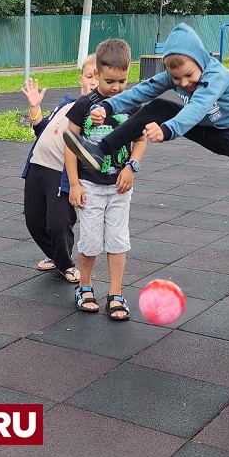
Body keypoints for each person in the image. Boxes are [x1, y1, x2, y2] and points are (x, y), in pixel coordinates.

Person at [63, 22, 229, 269]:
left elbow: (197, 108)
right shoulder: (174, 75)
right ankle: (100, 152)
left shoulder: (215, 74)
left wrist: (167, 130)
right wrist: (108, 107)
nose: (184, 83)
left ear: (201, 62)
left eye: (189, 75)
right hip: (206, 129)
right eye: (176, 78)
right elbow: (142, 91)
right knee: (156, 107)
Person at [64, 38, 146, 320]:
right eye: (110, 80)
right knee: (89, 241)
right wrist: (74, 183)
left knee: (118, 240)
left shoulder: (132, 105)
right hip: (89, 186)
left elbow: (140, 140)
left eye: (122, 81)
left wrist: (131, 168)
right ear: (96, 73)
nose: (116, 87)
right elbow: (70, 143)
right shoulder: (84, 105)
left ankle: (115, 292)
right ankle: (85, 287)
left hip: (119, 187)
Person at [19, 55, 99, 284]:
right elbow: (43, 130)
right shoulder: (67, 105)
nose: (92, 81)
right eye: (88, 76)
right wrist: (35, 108)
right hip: (37, 166)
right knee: (34, 221)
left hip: (59, 172)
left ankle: (66, 263)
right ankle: (56, 256)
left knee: (58, 222)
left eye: (97, 77)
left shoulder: (97, 113)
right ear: (81, 78)